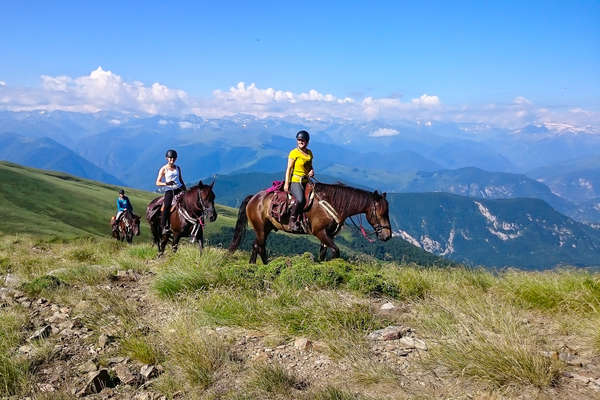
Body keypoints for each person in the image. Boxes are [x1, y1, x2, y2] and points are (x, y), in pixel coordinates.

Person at [284, 130, 314, 232]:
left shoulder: (309, 153)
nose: (300, 142)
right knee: (300, 200)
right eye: (299, 140)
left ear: (307, 141)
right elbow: (289, 169)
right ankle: (292, 221)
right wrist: (287, 184)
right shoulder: (294, 153)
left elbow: (310, 166)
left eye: (302, 140)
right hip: (296, 181)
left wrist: (311, 170)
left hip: (306, 180)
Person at [156, 149, 186, 234]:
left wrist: (185, 189)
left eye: (174, 158)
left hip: (179, 188)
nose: (172, 159)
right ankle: (164, 226)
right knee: (167, 206)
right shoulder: (164, 169)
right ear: (167, 158)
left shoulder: (178, 168)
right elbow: (157, 182)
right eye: (170, 158)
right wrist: (166, 183)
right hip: (169, 190)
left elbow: (180, 179)